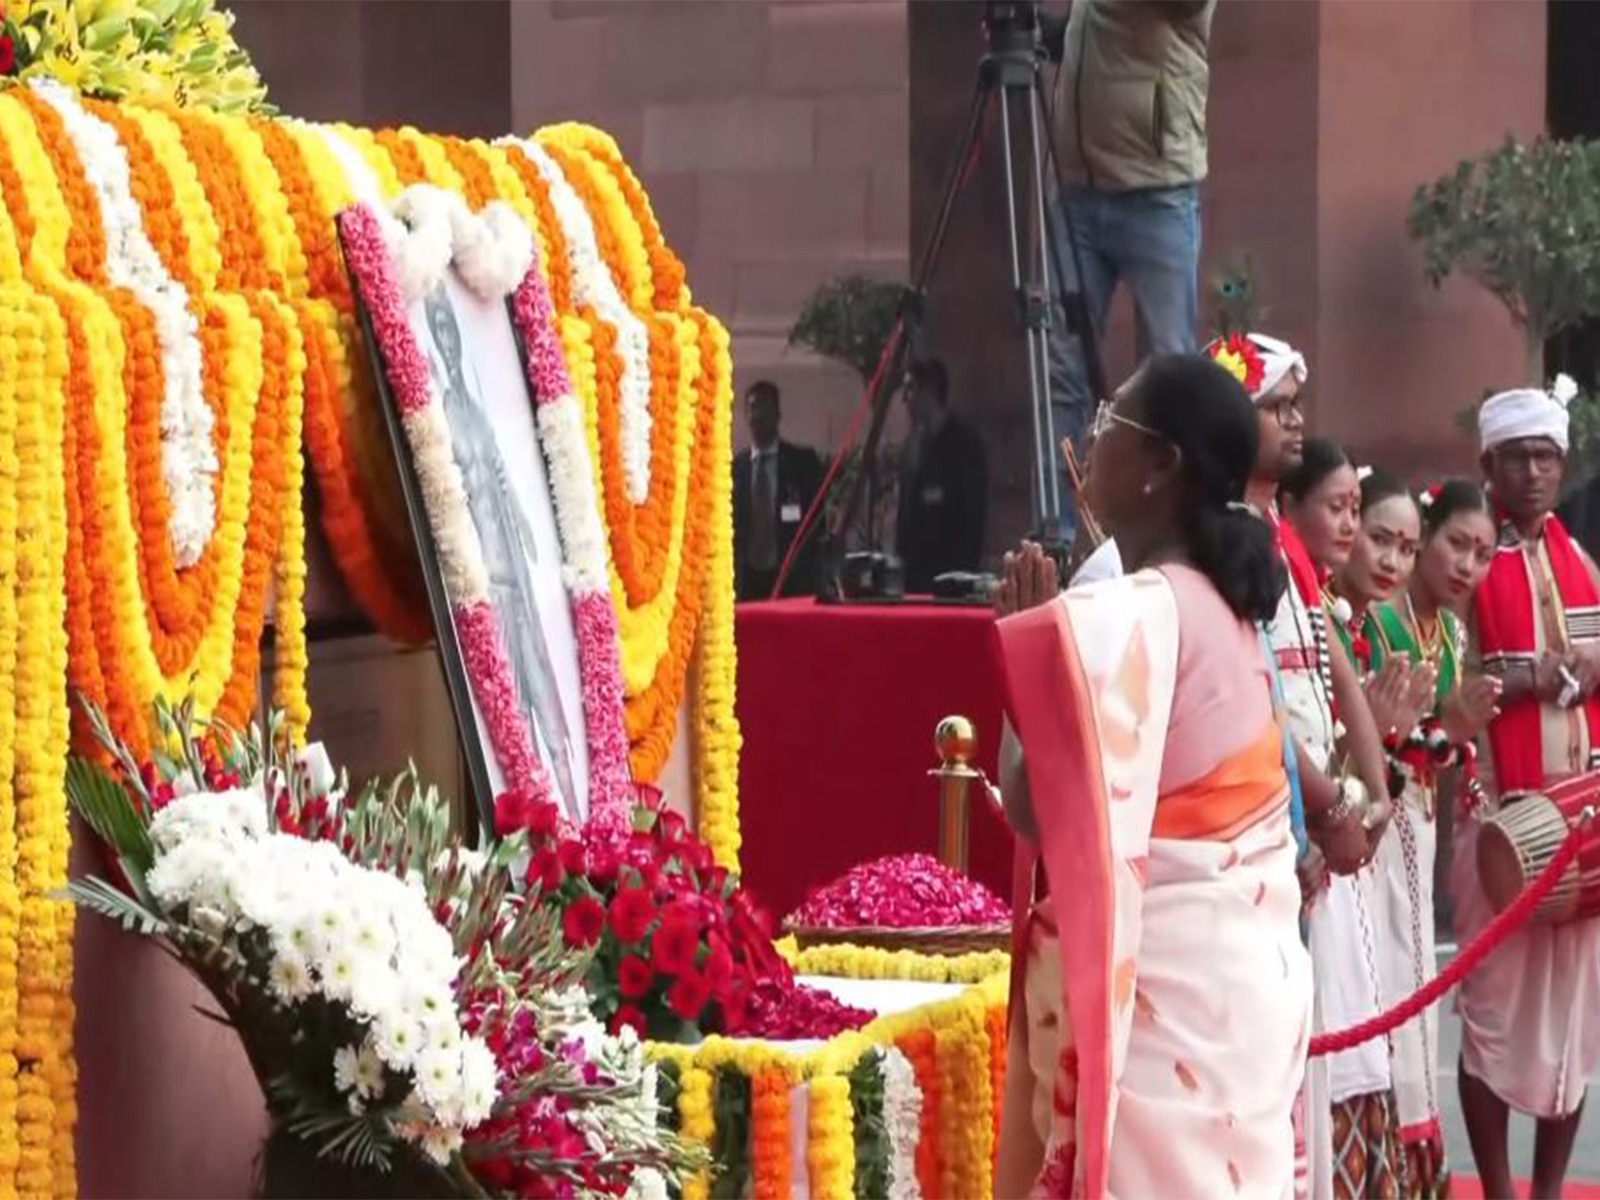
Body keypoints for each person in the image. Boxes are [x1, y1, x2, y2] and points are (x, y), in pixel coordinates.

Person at [996, 353, 1336, 1198]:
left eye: (1112, 422)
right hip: (1241, 984)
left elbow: (1043, 811)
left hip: (1167, 1013)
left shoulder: (1133, 609)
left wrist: (1023, 666)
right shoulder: (1224, 597)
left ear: (1160, 467)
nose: (1092, 437)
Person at [1210, 331, 1398, 1200]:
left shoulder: (1277, 539)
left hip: (1319, 829)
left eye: (1295, 408)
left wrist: (1372, 788)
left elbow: (1327, 670)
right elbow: (1255, 702)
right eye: (1275, 408)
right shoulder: (1216, 539)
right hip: (1268, 840)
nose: (1294, 424)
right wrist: (1331, 808)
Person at [1452, 380, 1600, 1200]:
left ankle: (1546, 1192)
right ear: (1489, 466)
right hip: (1500, 821)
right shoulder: (1468, 562)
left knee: (1576, 1024)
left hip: (1578, 825)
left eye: (1546, 458)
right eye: (1519, 460)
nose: (1535, 475)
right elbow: (1451, 670)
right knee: (1494, 1011)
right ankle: (1501, 1190)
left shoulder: (1582, 562)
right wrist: (1528, 676)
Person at [1357, 478, 1500, 1199]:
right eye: (1454, 544)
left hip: (1414, 824)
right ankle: (1382, 1154)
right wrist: (1439, 729)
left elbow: (1431, 737)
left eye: (1482, 553)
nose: (1466, 566)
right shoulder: (1377, 623)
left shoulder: (1448, 630)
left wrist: (1454, 724)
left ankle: (1414, 1160)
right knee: (1382, 983)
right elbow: (1382, 736)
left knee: (1415, 978)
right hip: (1371, 833)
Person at [1045, 0, 1216, 540]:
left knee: (1167, 376)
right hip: (1076, 188)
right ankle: (1059, 536)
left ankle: (1164, 536)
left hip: (1158, 189)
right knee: (1057, 372)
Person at [424, 285, 582, 817]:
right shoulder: (442, 412)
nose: (447, 340)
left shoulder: (476, 407)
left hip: (520, 579)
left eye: (451, 329)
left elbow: (499, 478)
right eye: (438, 329)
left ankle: (583, 827)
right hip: (485, 585)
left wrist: (527, 523)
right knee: (516, 737)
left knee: (554, 723)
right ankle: (544, 849)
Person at [896, 359, 988, 591]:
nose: (904, 398)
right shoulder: (913, 447)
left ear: (930, 390)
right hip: (914, 580)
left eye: (911, 388)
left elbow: (972, 517)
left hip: (952, 579)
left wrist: (962, 575)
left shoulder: (965, 445)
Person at [731, 380, 824, 600]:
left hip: (789, 578)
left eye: (765, 407)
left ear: (777, 415)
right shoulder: (736, 468)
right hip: (747, 580)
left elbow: (816, 521)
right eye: (753, 408)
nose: (759, 415)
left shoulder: (801, 463)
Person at [1282, 440, 1361, 577]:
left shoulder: (1320, 583)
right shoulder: (1275, 580)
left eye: (1354, 510)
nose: (1350, 526)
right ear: (1290, 507)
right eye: (1336, 507)